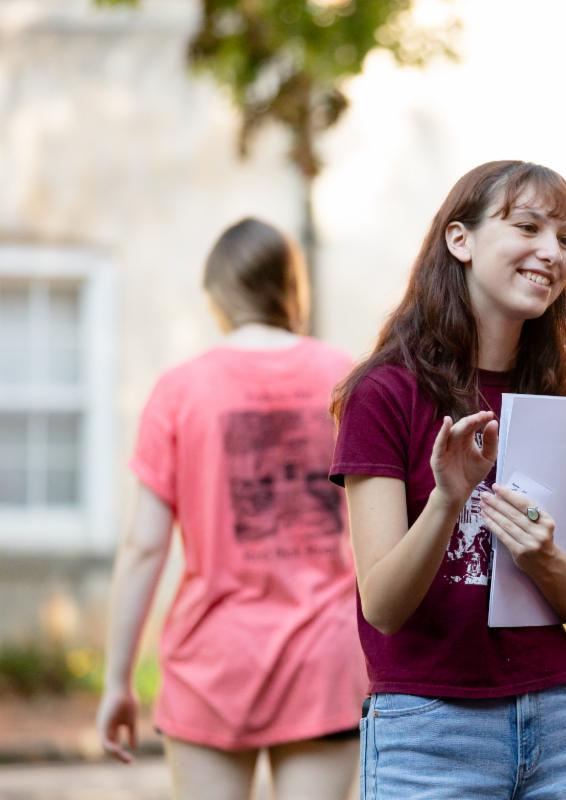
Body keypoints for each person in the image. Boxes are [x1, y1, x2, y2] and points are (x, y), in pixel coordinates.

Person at [328, 160, 566, 798]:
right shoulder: (383, 395)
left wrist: (547, 564)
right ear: (460, 240)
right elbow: (381, 605)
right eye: (528, 227)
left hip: (560, 725)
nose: (551, 252)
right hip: (430, 730)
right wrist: (448, 498)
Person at [96, 218, 367, 800]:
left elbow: (144, 546)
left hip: (213, 665)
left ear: (217, 294)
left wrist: (118, 680)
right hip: (325, 660)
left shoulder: (180, 390)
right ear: (293, 290)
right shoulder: (345, 378)